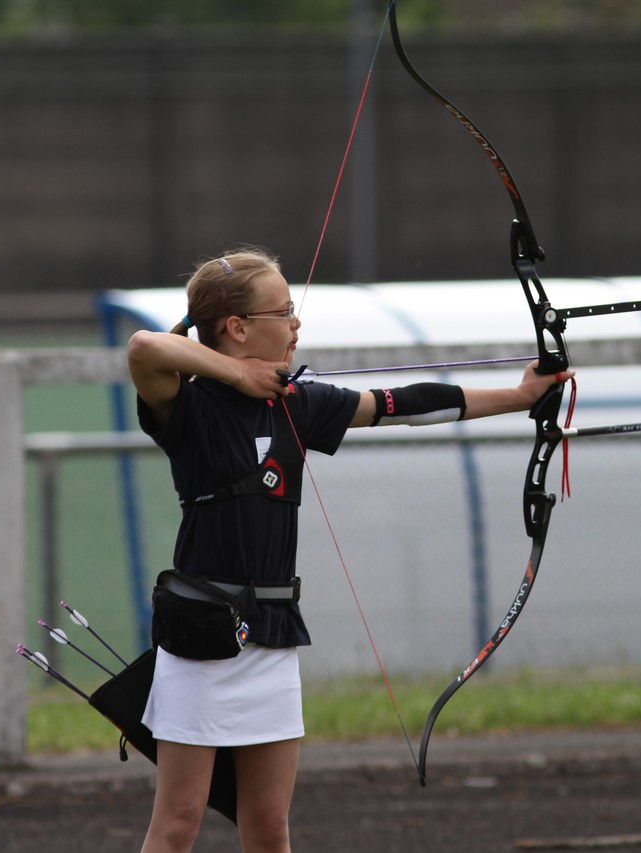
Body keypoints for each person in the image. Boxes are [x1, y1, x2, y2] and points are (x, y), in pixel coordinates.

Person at [126, 246, 570, 852]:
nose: (296, 324)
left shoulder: (297, 403)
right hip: (202, 637)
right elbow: (144, 349)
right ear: (237, 328)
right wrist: (237, 373)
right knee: (178, 823)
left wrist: (520, 398)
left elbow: (400, 406)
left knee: (269, 827)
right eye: (284, 311)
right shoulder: (189, 408)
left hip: (273, 636)